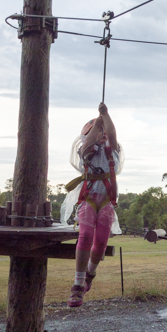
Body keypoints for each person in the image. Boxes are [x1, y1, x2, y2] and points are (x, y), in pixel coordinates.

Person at [60, 102, 123, 308]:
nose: (103, 134)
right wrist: (97, 123)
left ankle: (90, 273)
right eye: (98, 132)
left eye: (104, 131)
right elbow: (88, 144)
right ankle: (77, 286)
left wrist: (105, 116)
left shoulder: (112, 151)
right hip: (88, 198)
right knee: (86, 235)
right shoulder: (86, 152)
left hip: (105, 200)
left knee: (101, 241)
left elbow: (112, 136)